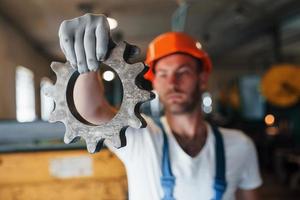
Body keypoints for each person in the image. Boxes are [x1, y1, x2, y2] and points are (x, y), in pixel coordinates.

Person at [58, 14, 262, 200]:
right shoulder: (140, 137)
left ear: (202, 79)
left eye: (183, 72)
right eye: (163, 74)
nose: (172, 83)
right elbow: (91, 111)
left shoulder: (240, 146)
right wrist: (85, 61)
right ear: (154, 82)